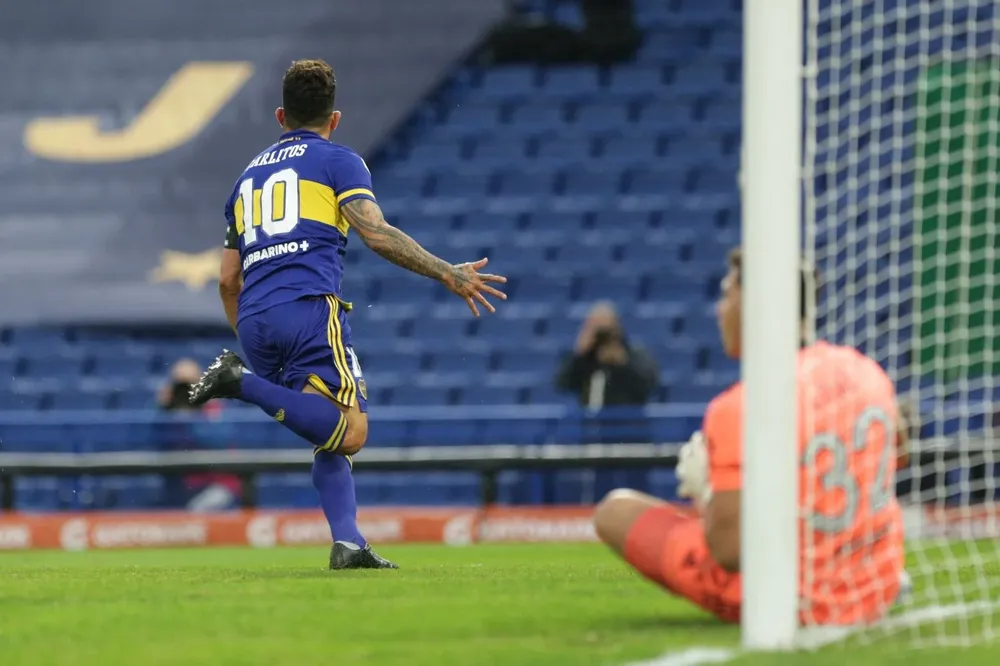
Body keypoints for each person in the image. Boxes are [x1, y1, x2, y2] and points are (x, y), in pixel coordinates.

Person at [189, 59, 507, 570]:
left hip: (254, 318)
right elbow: (376, 234)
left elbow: (228, 278)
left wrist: (250, 334)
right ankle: (238, 382)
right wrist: (447, 271)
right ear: (333, 119)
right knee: (352, 430)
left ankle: (349, 543)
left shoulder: (245, 181)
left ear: (280, 116)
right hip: (309, 308)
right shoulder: (339, 161)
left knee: (329, 432)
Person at [593, 249, 905, 625]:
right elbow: (898, 450)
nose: (719, 309)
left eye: (727, 295)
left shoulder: (742, 404)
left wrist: (708, 495)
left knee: (615, 510)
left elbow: (729, 550)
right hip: (875, 580)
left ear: (755, 303)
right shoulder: (865, 370)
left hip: (794, 598)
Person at [158, 358, 241, 511]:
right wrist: (162, 407)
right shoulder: (168, 411)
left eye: (190, 383)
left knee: (197, 511)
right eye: (180, 384)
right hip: (184, 484)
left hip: (217, 483)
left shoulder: (214, 407)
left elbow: (218, 441)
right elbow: (154, 441)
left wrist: (199, 413)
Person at [555, 301, 658, 410]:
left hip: (627, 422)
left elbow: (649, 385)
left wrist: (622, 363)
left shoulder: (635, 354)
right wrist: (579, 354)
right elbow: (562, 384)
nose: (602, 336)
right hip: (590, 422)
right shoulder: (585, 359)